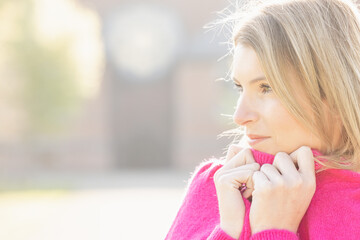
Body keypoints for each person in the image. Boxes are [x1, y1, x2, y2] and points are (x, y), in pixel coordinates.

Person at [165, 0, 360, 239]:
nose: (239, 116)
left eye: (266, 87)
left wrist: (273, 230)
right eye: (239, 88)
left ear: (333, 91)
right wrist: (228, 230)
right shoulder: (215, 187)